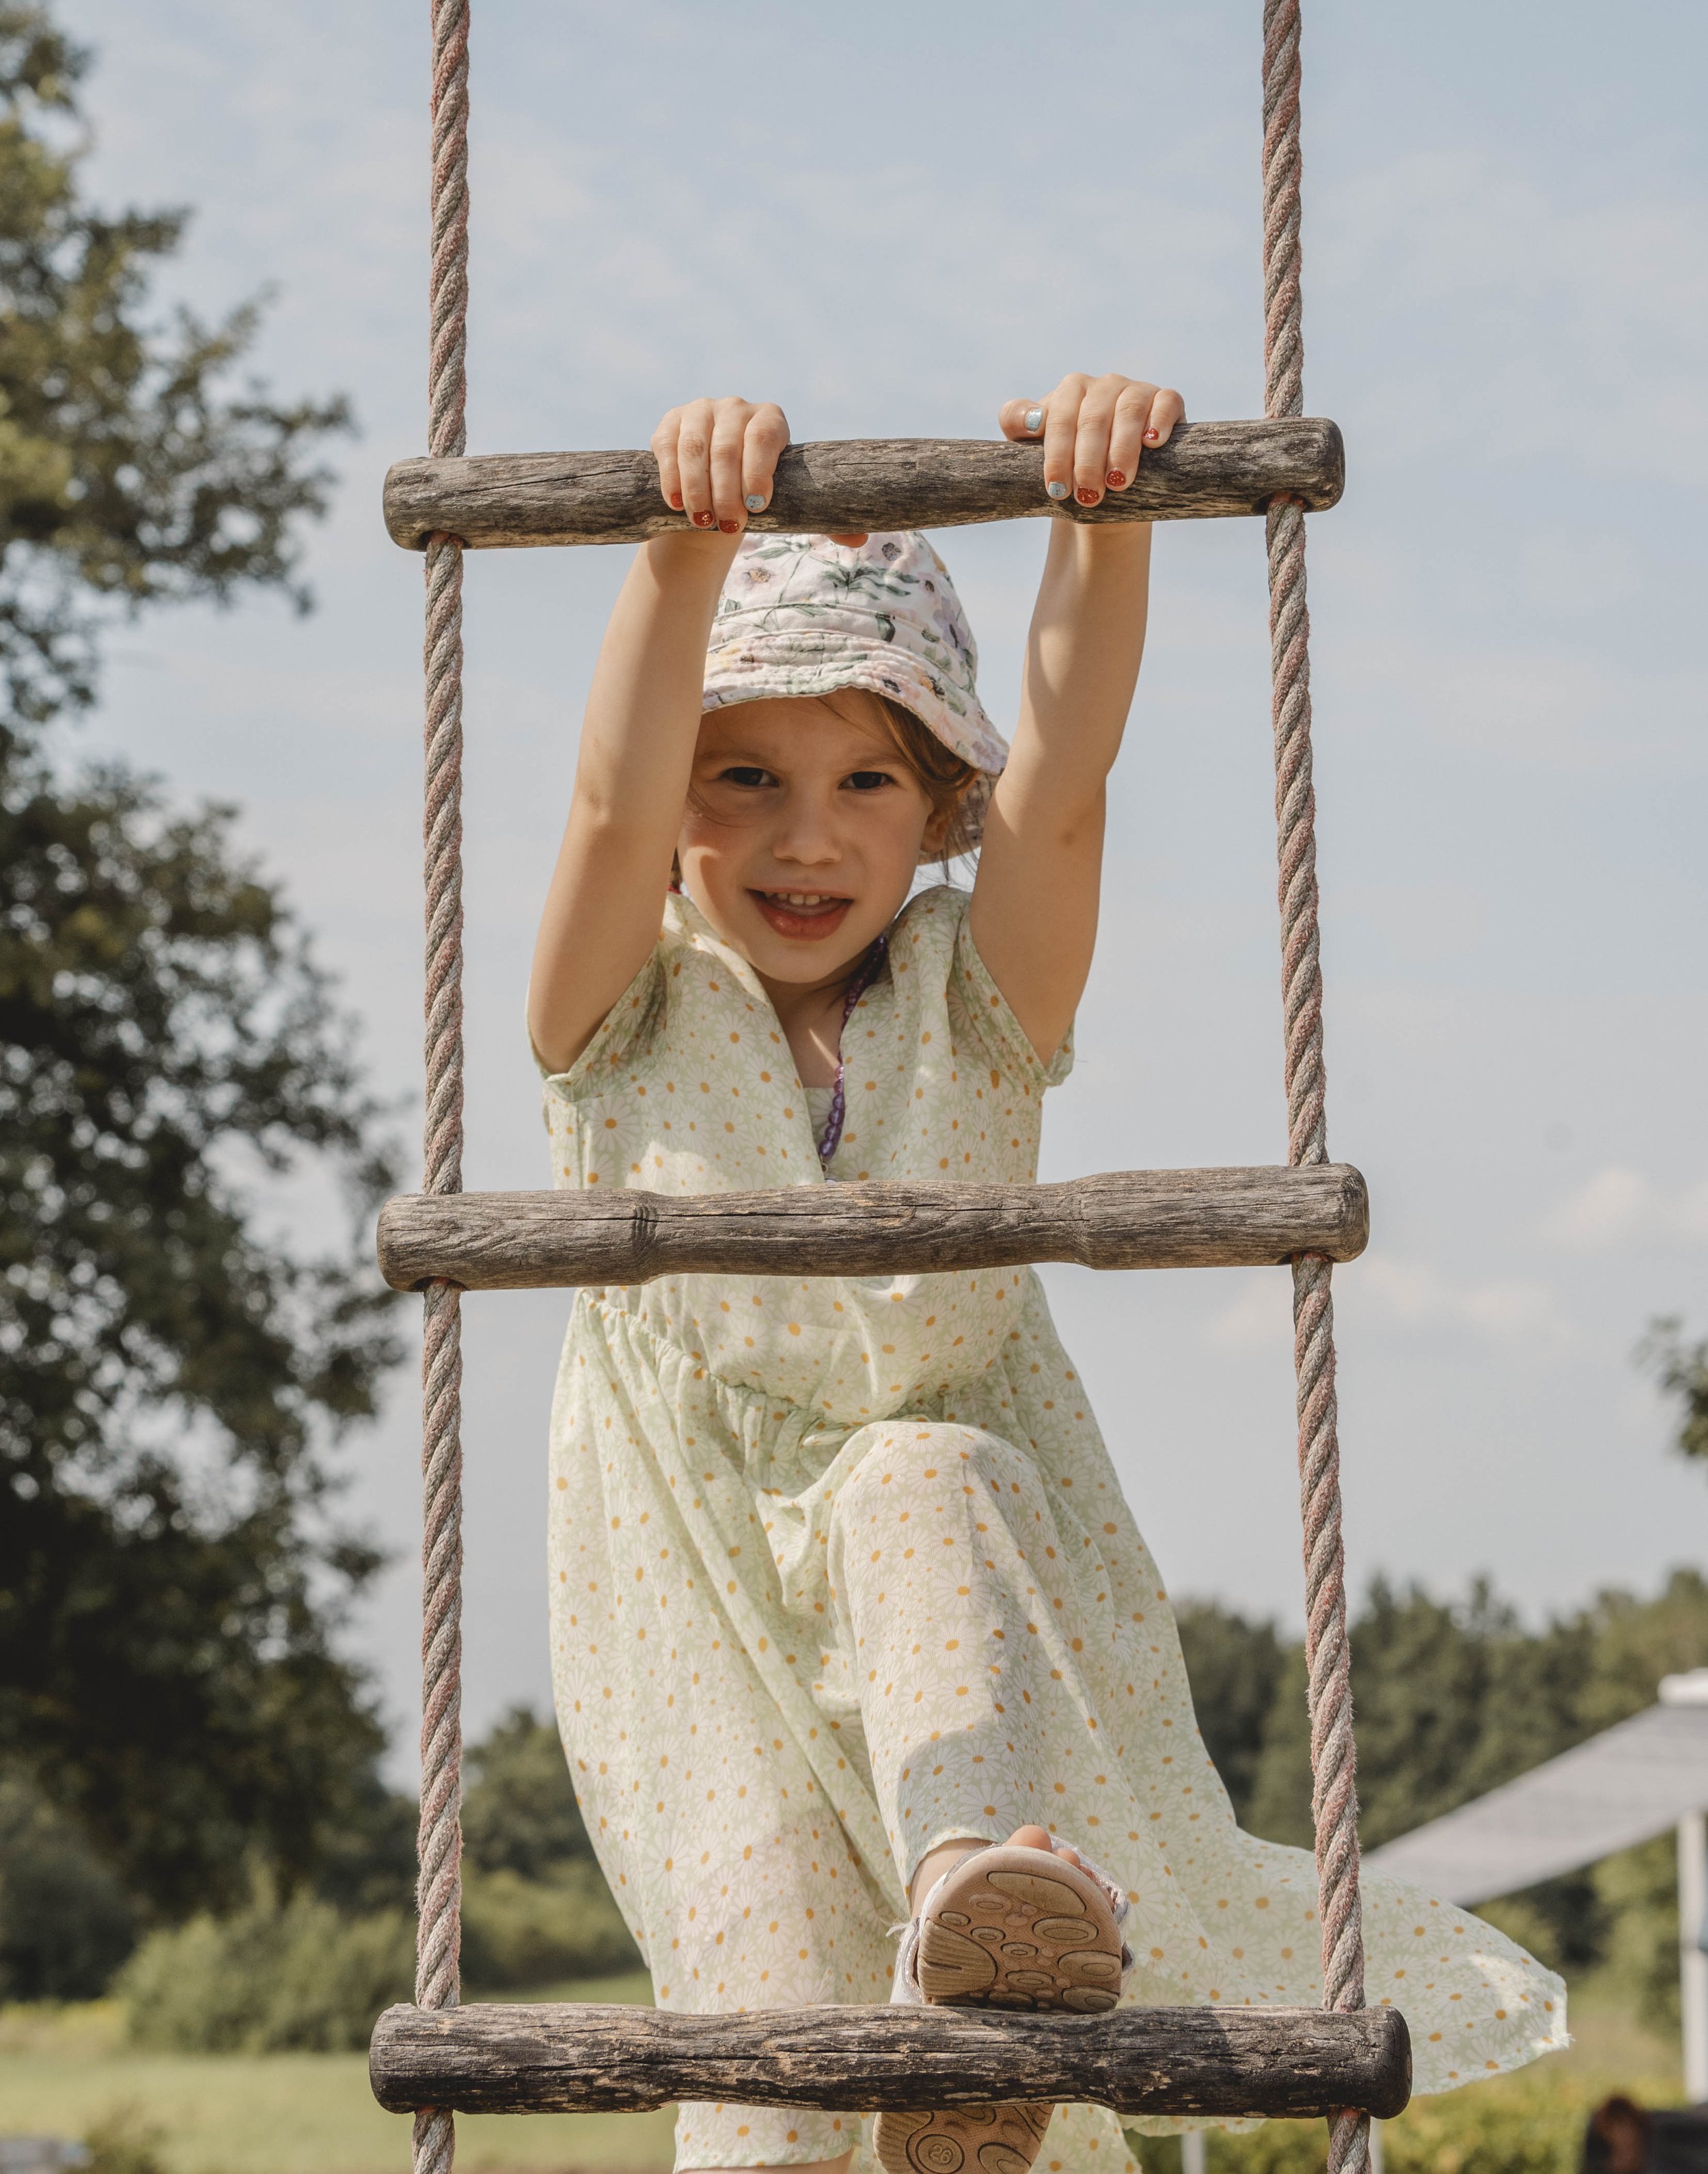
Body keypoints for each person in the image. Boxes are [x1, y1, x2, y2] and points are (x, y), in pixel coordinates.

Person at [528, 374, 1565, 2174]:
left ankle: (979, 1975)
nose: (803, 835)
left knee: (923, 1474)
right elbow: (610, 806)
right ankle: (887, 2056)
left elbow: (1066, 784)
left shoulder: (972, 999)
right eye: (745, 776)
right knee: (767, 2052)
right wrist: (674, 561)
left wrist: (1100, 521)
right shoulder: (615, 1007)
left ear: (934, 809)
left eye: (868, 778)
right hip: (691, 1587)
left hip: (953, 1593)